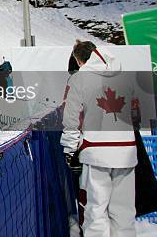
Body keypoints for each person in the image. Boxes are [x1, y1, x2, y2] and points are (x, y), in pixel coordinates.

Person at [60, 40, 137, 237]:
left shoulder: (79, 79)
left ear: (78, 60)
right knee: (124, 212)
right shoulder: (125, 76)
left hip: (96, 152)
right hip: (126, 151)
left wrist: (70, 150)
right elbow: (136, 112)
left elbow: (71, 118)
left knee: (96, 211)